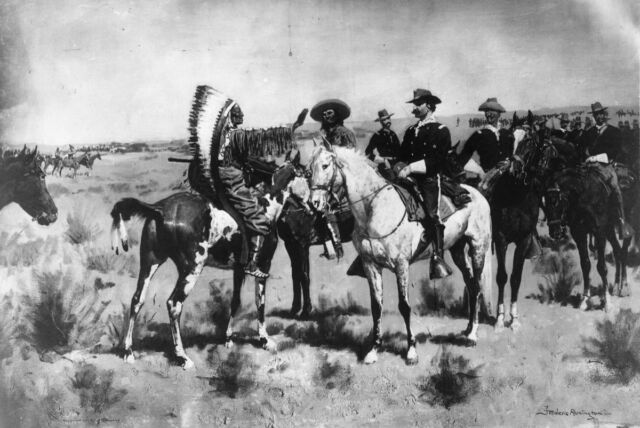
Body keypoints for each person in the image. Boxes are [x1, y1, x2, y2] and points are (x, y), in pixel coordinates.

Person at [396, 88, 454, 279]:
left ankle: (438, 258)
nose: (414, 108)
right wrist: (397, 166)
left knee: (432, 214)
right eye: (414, 105)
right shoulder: (412, 131)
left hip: (428, 180)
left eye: (417, 104)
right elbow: (402, 155)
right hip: (407, 178)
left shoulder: (441, 131)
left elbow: (438, 160)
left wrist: (412, 168)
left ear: (429, 106)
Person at [216, 103, 272, 278]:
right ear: (232, 117)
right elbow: (250, 155)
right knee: (259, 219)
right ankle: (251, 263)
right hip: (232, 181)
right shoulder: (237, 135)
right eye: (238, 114)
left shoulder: (219, 135)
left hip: (218, 178)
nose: (242, 117)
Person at [310, 98, 357, 259]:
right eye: (324, 114)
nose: (326, 116)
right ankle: (325, 240)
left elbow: (350, 157)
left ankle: (335, 244)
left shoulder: (345, 134)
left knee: (327, 202)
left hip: (343, 174)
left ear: (337, 115)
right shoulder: (322, 135)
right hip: (326, 174)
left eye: (329, 113)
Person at [578, 101, 630, 239]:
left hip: (606, 166)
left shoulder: (614, 131)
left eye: (601, 113)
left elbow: (616, 150)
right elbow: (582, 148)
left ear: (604, 114)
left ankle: (622, 222)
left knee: (616, 188)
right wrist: (586, 156)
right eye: (597, 114)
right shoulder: (588, 133)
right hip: (589, 167)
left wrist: (596, 158)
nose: (600, 116)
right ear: (594, 116)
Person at [457, 98, 514, 174]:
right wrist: (479, 171)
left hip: (507, 178)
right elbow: (463, 157)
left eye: (492, 110)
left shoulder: (507, 134)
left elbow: (512, 155)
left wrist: (509, 163)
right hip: (487, 180)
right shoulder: (479, 135)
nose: (489, 114)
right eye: (487, 111)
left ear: (499, 113)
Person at [364, 109, 401, 180]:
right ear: (380, 122)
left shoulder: (393, 134)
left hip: (396, 165)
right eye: (384, 120)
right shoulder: (377, 135)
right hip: (384, 167)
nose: (387, 121)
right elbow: (368, 153)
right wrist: (383, 160)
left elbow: (399, 151)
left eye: (388, 118)